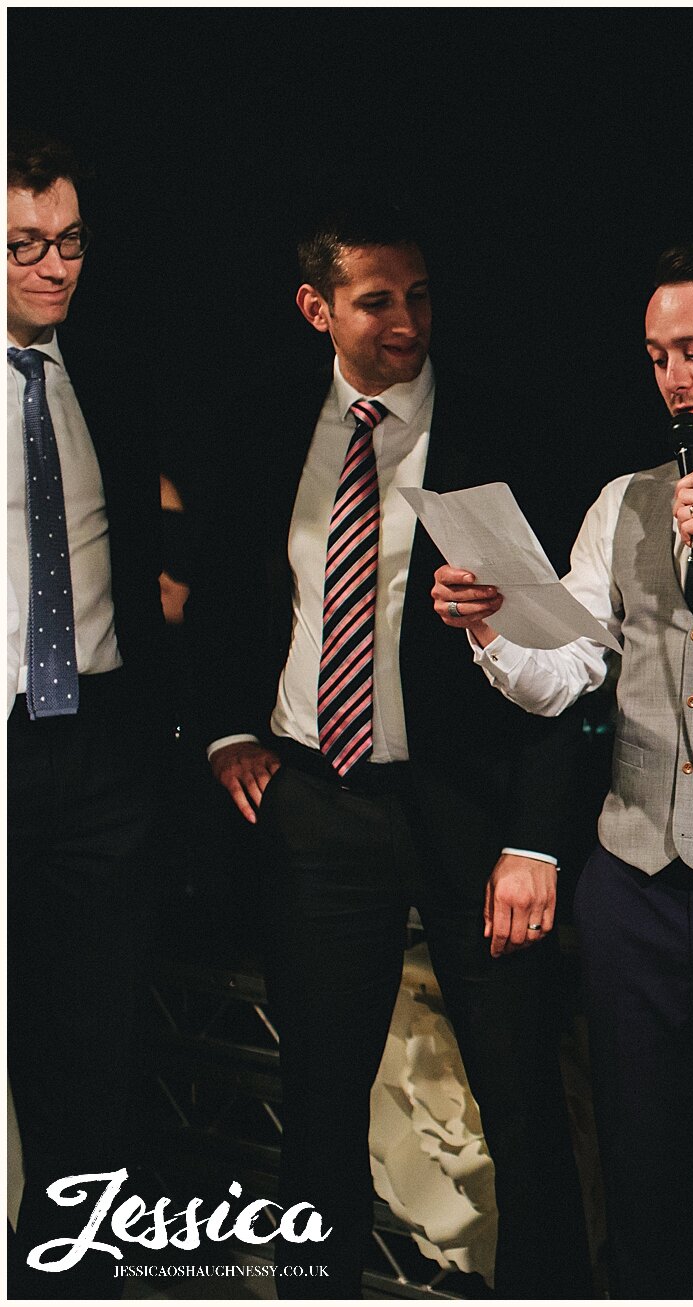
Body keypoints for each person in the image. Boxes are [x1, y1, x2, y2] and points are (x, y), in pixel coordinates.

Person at [431, 241, 693, 1297]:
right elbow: (569, 666)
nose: (673, 376)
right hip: (633, 882)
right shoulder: (624, 500)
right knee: (642, 1175)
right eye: (656, 356)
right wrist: (492, 632)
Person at [189, 207, 591, 1297]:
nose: (406, 319)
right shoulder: (267, 425)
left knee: (518, 1094)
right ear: (317, 307)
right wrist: (225, 730)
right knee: (318, 1092)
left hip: (469, 800)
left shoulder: (506, 431)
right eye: (377, 299)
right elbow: (221, 595)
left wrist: (538, 841)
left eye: (418, 295)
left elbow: (570, 659)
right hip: (319, 798)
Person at [7, 131, 167, 1299]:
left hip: (101, 737)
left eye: (67, 242)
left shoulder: (107, 364)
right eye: (22, 246)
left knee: (97, 1024)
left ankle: (81, 1260)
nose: (53, 268)